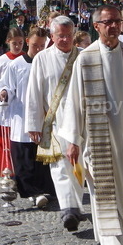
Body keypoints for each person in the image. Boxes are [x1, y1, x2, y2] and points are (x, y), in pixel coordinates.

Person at [57, 5, 123, 245]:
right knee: (103, 194)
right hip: (98, 140)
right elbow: (73, 102)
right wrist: (72, 139)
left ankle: (106, 239)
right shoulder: (85, 59)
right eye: (107, 22)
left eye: (116, 22)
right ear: (96, 26)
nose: (112, 26)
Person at [25, 16, 86, 229]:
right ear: (52, 36)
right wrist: (33, 124)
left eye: (69, 35)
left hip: (80, 121)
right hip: (55, 121)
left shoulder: (83, 57)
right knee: (59, 166)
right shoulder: (42, 59)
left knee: (78, 165)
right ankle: (68, 209)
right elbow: (34, 92)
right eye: (61, 36)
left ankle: (76, 206)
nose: (65, 40)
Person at [0, 27, 53, 207]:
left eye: (42, 46)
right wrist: (4, 93)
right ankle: (33, 192)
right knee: (24, 159)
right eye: (35, 45)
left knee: (42, 160)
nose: (38, 49)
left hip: (43, 117)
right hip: (21, 117)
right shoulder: (16, 65)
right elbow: (6, 85)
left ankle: (44, 190)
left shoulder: (47, 62)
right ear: (28, 41)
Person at [0, 27, 26, 201]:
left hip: (20, 109)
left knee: (18, 144)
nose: (18, 46)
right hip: (4, 109)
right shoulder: (1, 62)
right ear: (7, 42)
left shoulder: (26, 59)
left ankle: (20, 173)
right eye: (14, 43)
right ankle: (6, 175)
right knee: (5, 144)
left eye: (20, 43)